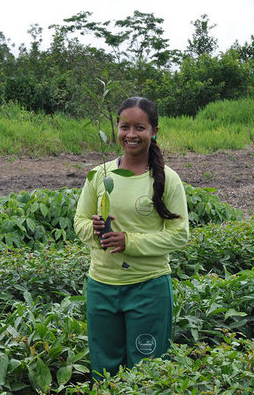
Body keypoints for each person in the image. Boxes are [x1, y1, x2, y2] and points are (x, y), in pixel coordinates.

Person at [74, 96, 189, 381]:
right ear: (117, 128)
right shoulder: (99, 174)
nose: (131, 135)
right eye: (125, 127)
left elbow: (179, 235)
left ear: (154, 131)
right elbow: (79, 221)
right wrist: (96, 230)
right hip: (102, 285)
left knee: (147, 370)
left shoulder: (167, 179)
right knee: (105, 368)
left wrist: (130, 242)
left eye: (140, 128)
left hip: (148, 288)